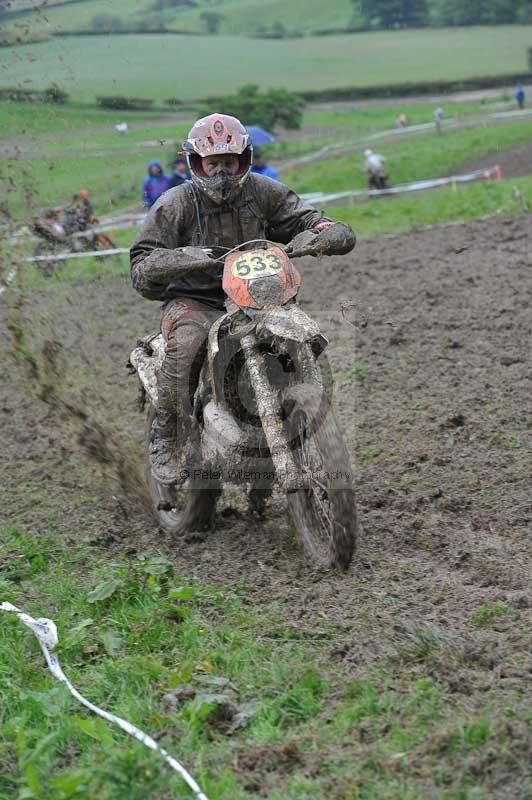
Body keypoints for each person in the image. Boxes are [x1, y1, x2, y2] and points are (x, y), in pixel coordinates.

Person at [130, 113, 356, 485]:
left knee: (300, 334)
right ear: (197, 164)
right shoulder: (176, 204)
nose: (222, 172)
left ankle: (298, 408)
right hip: (196, 300)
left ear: (244, 160)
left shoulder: (264, 192)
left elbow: (306, 218)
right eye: (213, 163)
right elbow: (141, 264)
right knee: (188, 344)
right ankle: (166, 435)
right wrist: (176, 259)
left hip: (260, 296)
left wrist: (325, 232)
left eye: (229, 163)